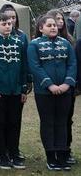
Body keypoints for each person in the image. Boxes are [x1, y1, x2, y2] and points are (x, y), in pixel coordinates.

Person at [28, 15, 76, 170]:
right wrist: (50, 85)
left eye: (55, 25)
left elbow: (72, 63)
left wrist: (67, 83)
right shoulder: (34, 45)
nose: (53, 27)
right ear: (41, 28)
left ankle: (62, 156)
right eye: (49, 25)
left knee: (62, 122)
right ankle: (51, 158)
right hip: (44, 92)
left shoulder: (66, 43)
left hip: (65, 91)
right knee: (48, 123)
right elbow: (35, 67)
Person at [0, 13, 27, 170]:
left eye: (10, 23)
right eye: (4, 23)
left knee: (14, 122)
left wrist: (23, 88)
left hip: (15, 90)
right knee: (0, 122)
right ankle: (2, 155)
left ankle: (14, 153)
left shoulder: (19, 42)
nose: (8, 26)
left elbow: (23, 67)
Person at [48, 9, 76, 166]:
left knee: (67, 120)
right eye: (56, 19)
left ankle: (66, 150)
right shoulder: (41, 42)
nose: (59, 22)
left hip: (68, 88)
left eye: (61, 19)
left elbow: (73, 63)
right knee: (54, 121)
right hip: (49, 89)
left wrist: (69, 83)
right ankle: (54, 152)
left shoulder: (69, 40)